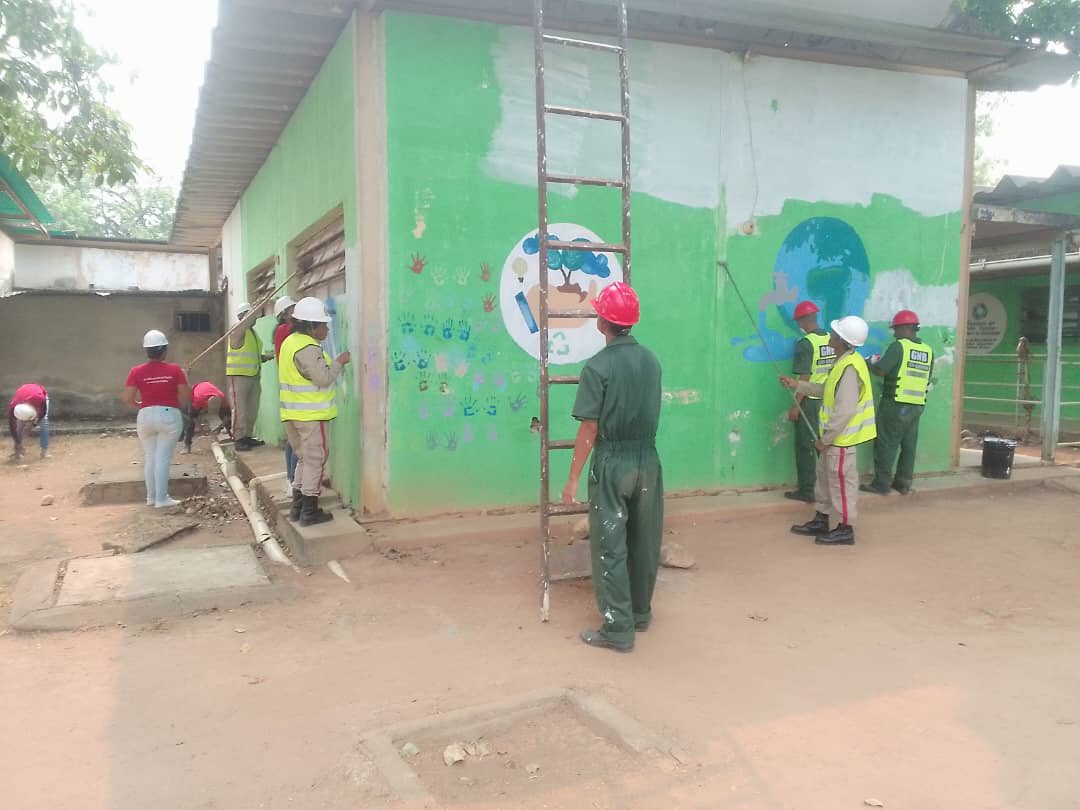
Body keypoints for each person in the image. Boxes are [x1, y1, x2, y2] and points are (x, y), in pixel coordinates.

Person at [561, 282, 663, 653]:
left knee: (610, 542)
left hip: (613, 462)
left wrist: (573, 477)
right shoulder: (651, 360)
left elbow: (589, 426)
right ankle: (639, 612)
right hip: (648, 460)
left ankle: (618, 628)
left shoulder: (598, 367)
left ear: (603, 321)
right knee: (644, 538)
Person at [781, 315, 876, 546]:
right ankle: (821, 518)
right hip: (833, 438)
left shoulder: (850, 367)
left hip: (840, 440)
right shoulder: (842, 361)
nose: (830, 336)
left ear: (842, 340)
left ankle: (846, 527)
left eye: (835, 334)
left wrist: (827, 439)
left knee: (841, 483)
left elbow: (844, 410)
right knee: (824, 479)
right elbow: (826, 389)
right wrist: (798, 384)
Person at [279, 297, 350, 526]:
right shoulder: (307, 348)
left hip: (293, 414)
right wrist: (339, 362)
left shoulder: (291, 341)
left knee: (304, 460)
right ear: (310, 326)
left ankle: (298, 508)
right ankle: (309, 512)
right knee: (315, 461)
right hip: (310, 415)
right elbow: (323, 378)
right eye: (323, 325)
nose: (327, 329)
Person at [861, 309, 934, 496]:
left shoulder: (898, 347)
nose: (894, 333)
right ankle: (903, 483)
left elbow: (882, 371)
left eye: (896, 329)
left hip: (895, 403)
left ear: (905, 328)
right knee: (908, 444)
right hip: (916, 405)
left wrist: (869, 363)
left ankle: (882, 484)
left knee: (886, 443)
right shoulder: (927, 350)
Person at [123, 330, 191, 508]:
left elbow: (128, 398)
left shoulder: (135, 371)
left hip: (145, 415)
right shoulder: (175, 370)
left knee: (150, 458)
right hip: (169, 414)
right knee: (162, 459)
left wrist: (141, 405)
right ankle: (162, 499)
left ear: (147, 351)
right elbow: (186, 396)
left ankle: (151, 498)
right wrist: (185, 376)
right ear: (164, 350)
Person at [785, 301, 836, 502]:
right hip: (830, 401)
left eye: (799, 320)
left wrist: (796, 406)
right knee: (825, 446)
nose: (798, 324)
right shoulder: (833, 340)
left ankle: (807, 490)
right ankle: (829, 488)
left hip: (811, 401)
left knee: (806, 446)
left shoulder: (806, 344)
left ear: (806, 319)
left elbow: (804, 378)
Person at [226, 302, 270, 451]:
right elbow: (245, 322)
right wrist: (254, 310)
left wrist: (265, 357)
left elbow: (251, 355)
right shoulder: (236, 331)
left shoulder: (252, 333)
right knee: (240, 410)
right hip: (238, 376)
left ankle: (247, 436)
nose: (256, 318)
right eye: (252, 315)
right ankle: (238, 438)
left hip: (253, 374)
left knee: (252, 409)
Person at [272, 296, 298, 495]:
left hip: (289, 387)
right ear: (284, 314)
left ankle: (292, 479)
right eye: (292, 310)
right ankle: (294, 480)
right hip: (293, 389)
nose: (295, 313)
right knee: (297, 439)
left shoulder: (281, 331)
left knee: (292, 439)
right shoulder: (284, 331)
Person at [181, 381, 232, 453]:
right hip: (196, 389)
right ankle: (187, 446)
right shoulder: (198, 400)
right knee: (190, 423)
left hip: (207, 388)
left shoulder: (222, 398)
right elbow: (193, 416)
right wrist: (201, 429)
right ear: (206, 405)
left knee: (227, 418)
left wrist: (220, 427)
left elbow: (228, 416)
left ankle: (231, 436)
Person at [7, 383, 50, 461]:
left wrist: (33, 424)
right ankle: (18, 452)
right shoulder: (13, 408)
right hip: (23, 396)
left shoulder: (41, 400)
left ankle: (44, 452)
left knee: (44, 423)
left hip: (38, 395)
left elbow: (43, 413)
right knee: (20, 425)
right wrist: (18, 442)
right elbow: (12, 427)